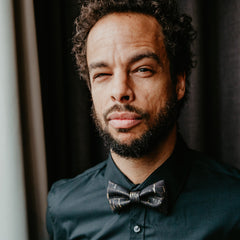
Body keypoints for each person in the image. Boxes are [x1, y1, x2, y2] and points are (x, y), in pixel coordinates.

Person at [46, 0, 240, 239]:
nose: (120, 91)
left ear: (178, 82)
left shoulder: (235, 204)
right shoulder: (62, 206)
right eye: (102, 74)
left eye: (142, 69)